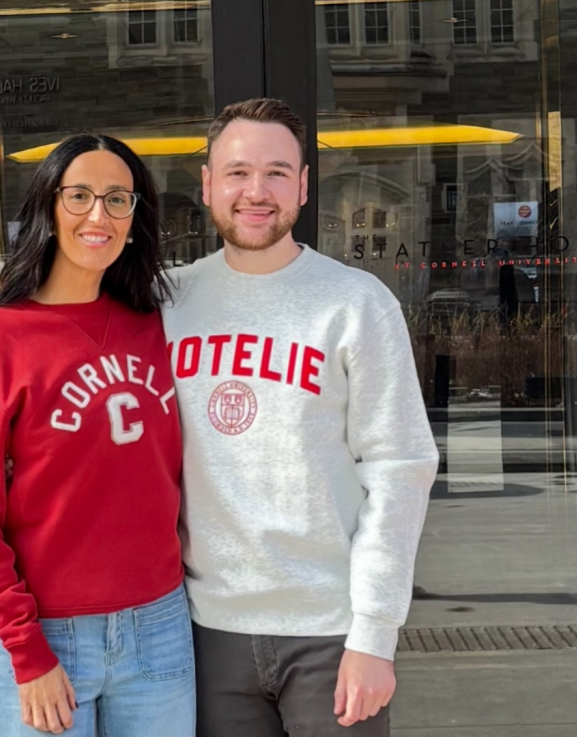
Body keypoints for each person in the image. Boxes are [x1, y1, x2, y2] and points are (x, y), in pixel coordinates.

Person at [162, 98, 440, 736]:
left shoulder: (355, 303)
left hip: (332, 634)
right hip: (204, 632)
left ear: (304, 185)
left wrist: (375, 636)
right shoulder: (167, 301)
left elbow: (400, 470)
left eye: (277, 173)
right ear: (207, 183)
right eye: (237, 172)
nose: (255, 191)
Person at [0, 134, 193, 737]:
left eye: (117, 199)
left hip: (160, 624)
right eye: (78, 196)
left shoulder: (159, 324)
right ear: (49, 207)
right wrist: (26, 649)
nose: (98, 215)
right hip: (48, 632)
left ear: (136, 218)